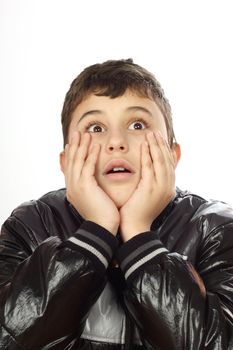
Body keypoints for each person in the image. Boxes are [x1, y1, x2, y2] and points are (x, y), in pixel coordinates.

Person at [0, 58, 233, 350]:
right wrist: (96, 231)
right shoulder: (30, 225)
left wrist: (138, 234)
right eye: (96, 128)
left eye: (137, 124)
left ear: (172, 155)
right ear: (66, 160)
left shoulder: (215, 228)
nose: (116, 142)